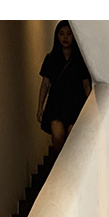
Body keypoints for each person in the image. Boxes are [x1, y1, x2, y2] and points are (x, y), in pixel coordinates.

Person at [37, 21, 92, 153]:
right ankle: (59, 160)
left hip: (76, 102)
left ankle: (69, 163)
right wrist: (40, 107)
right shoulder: (51, 59)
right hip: (56, 103)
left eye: (69, 34)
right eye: (61, 34)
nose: (65, 37)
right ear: (57, 36)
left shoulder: (80, 59)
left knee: (73, 138)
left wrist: (90, 107)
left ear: (74, 36)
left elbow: (86, 84)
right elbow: (45, 84)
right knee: (57, 136)